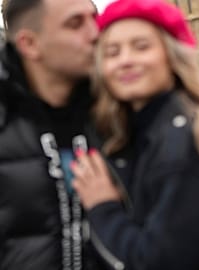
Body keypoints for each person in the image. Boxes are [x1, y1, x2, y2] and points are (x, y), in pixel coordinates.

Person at [70, 0, 199, 269]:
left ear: (172, 56)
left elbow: (160, 261)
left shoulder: (196, 141)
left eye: (141, 47)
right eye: (112, 52)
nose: (126, 60)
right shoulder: (137, 137)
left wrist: (102, 207)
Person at [0, 0, 110, 269]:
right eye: (75, 24)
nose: (96, 33)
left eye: (93, 18)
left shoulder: (116, 114)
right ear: (30, 44)